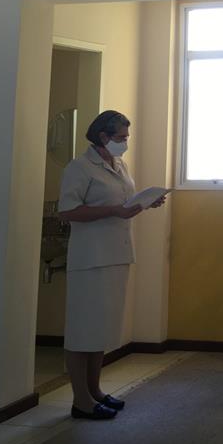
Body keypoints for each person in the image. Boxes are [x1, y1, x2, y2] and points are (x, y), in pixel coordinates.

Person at [58, 110, 165, 420]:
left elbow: (124, 205)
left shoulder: (119, 165)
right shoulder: (79, 168)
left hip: (116, 255)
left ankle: (95, 390)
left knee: (100, 330)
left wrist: (145, 203)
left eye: (126, 137)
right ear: (102, 136)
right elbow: (67, 211)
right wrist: (113, 211)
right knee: (82, 330)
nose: (125, 142)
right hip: (90, 260)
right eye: (121, 137)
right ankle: (81, 401)